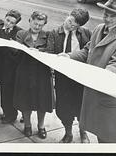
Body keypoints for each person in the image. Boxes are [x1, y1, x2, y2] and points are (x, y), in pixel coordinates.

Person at [59, 0, 116, 143]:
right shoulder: (99, 29)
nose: (107, 19)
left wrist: (101, 76)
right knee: (99, 132)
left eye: (112, 16)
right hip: (93, 90)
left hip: (108, 91)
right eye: (105, 14)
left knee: (110, 136)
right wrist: (68, 56)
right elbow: (87, 50)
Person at [46, 9, 92, 143]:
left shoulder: (86, 33)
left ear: (79, 26)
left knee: (81, 106)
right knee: (64, 107)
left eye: (74, 25)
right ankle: (68, 133)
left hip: (80, 77)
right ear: (68, 16)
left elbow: (90, 52)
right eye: (70, 21)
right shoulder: (54, 33)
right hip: (62, 77)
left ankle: (83, 132)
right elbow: (49, 53)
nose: (70, 25)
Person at [13, 11, 53, 138]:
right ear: (29, 20)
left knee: (42, 101)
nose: (37, 27)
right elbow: (15, 53)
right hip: (25, 71)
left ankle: (41, 126)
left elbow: (51, 51)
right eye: (35, 23)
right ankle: (28, 125)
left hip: (42, 73)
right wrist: (22, 50)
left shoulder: (48, 35)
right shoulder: (21, 34)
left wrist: (38, 51)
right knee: (26, 100)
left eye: (40, 25)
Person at [0, 10, 23, 124]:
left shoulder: (19, 33)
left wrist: (13, 47)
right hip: (1, 66)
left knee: (11, 92)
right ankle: (7, 111)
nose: (8, 24)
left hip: (13, 67)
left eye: (12, 23)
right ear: (5, 17)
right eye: (7, 20)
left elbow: (20, 52)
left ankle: (12, 115)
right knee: (4, 91)